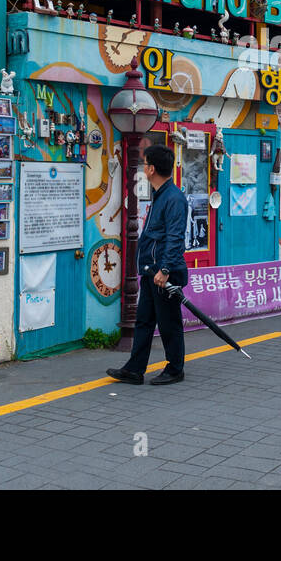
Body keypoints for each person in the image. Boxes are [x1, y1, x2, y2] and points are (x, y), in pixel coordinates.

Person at [108, 144, 189, 386]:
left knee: (169, 323)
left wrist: (165, 270)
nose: (144, 168)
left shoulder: (173, 198)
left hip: (164, 272)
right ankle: (135, 369)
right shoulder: (160, 194)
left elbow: (175, 238)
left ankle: (175, 368)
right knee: (143, 321)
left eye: (145, 164)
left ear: (152, 168)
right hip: (151, 271)